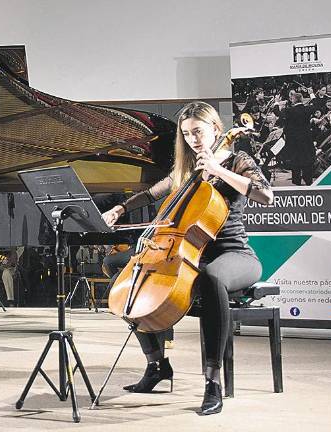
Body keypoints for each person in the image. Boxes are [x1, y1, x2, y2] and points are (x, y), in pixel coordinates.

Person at [101, 102, 273, 415]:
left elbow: (265, 195)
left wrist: (217, 170)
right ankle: (157, 364)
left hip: (233, 254)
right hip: (190, 253)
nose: (192, 138)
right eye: (186, 133)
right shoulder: (187, 169)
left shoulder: (237, 160)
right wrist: (121, 209)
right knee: (122, 270)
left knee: (212, 279)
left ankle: (212, 382)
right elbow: (154, 192)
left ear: (216, 130)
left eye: (198, 131)